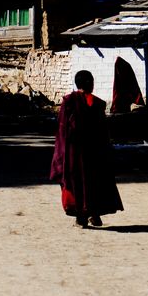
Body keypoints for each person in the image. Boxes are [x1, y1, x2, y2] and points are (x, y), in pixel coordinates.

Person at [50, 70, 123, 228]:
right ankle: (94, 214)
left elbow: (62, 130)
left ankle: (81, 218)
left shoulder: (69, 102)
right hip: (95, 151)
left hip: (74, 152)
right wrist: (107, 151)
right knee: (95, 181)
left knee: (77, 182)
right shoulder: (96, 103)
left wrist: (60, 155)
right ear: (90, 83)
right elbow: (103, 131)